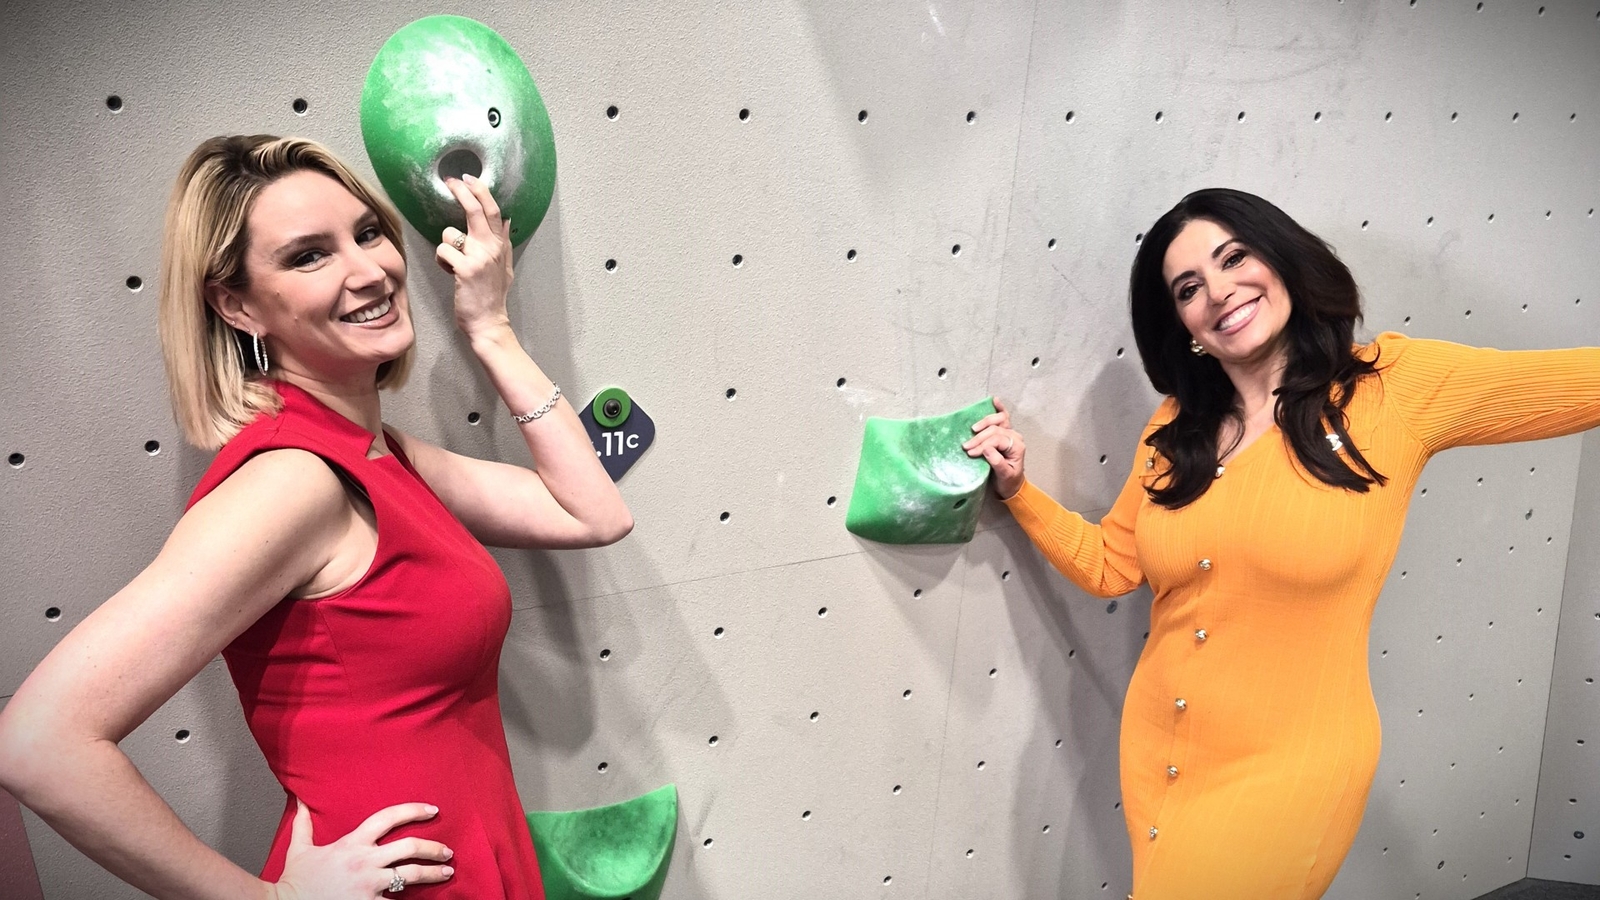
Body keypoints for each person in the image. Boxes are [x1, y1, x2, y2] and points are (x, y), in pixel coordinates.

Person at [0, 134, 632, 899]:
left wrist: (490, 329)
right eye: (308, 256)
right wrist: (266, 899)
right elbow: (38, 743)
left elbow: (590, 512)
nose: (369, 271)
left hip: (472, 858)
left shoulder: (376, 454)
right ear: (237, 305)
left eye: (367, 233)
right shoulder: (293, 481)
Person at [963, 188, 1600, 899]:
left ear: (1282, 259)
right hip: (1158, 755)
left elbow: (1586, 383)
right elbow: (1113, 568)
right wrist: (1018, 489)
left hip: (1293, 769)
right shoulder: (1175, 427)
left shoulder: (1392, 389)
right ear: (1184, 325)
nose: (1219, 291)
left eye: (1234, 257)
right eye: (1188, 288)